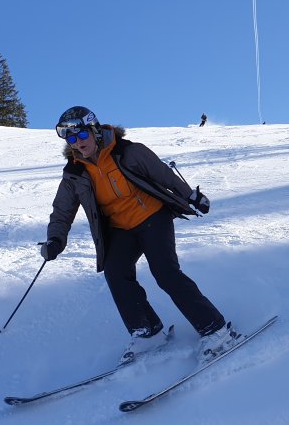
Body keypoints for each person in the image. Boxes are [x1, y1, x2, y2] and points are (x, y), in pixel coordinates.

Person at [41, 106, 236, 363]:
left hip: (153, 217)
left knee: (165, 273)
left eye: (82, 135)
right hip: (121, 228)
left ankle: (216, 329)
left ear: (95, 130)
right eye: (71, 139)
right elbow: (62, 210)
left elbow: (163, 174)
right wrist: (55, 239)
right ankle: (147, 331)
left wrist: (191, 196)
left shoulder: (128, 152)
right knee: (115, 272)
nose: (78, 143)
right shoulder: (75, 173)